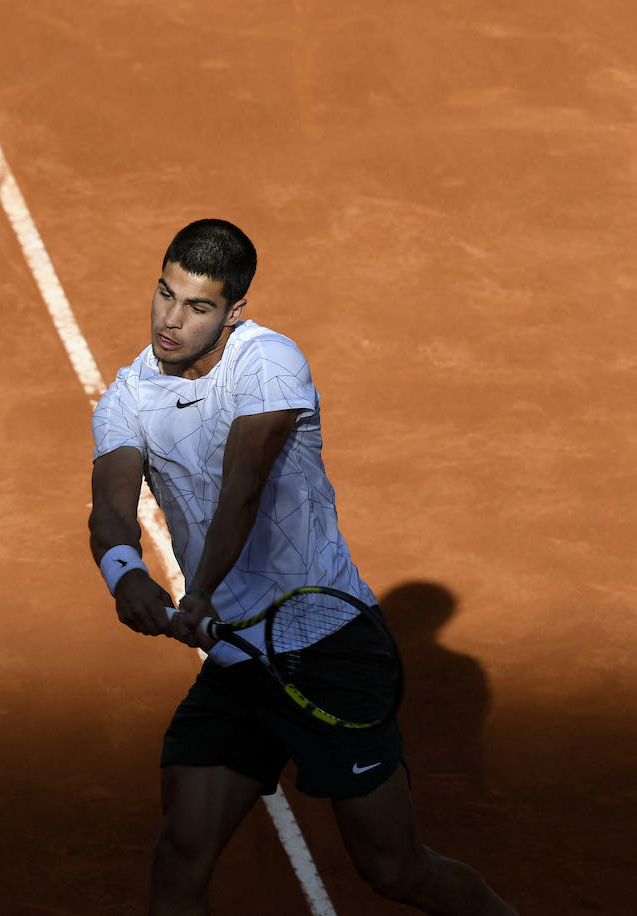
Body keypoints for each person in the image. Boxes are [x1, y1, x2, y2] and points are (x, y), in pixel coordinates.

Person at [87, 219, 515, 915]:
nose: (171, 319)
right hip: (235, 660)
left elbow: (244, 486)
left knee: (394, 868)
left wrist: (197, 593)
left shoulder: (269, 363)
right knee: (179, 855)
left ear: (234, 313)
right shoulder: (128, 395)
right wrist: (123, 572)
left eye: (197, 307)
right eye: (165, 294)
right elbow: (110, 505)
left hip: (329, 649)